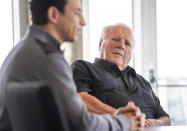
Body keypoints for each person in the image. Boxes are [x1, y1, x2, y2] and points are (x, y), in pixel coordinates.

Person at [0, 0, 145, 131]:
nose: (83, 21)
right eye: (77, 13)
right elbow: (81, 124)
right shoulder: (48, 58)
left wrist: (117, 118)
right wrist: (125, 122)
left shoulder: (23, 49)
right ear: (54, 14)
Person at [72, 24, 171, 127]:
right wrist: (125, 118)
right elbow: (79, 98)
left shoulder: (143, 82)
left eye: (127, 43)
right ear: (100, 43)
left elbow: (165, 118)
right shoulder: (83, 67)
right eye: (116, 39)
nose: (121, 46)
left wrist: (155, 123)